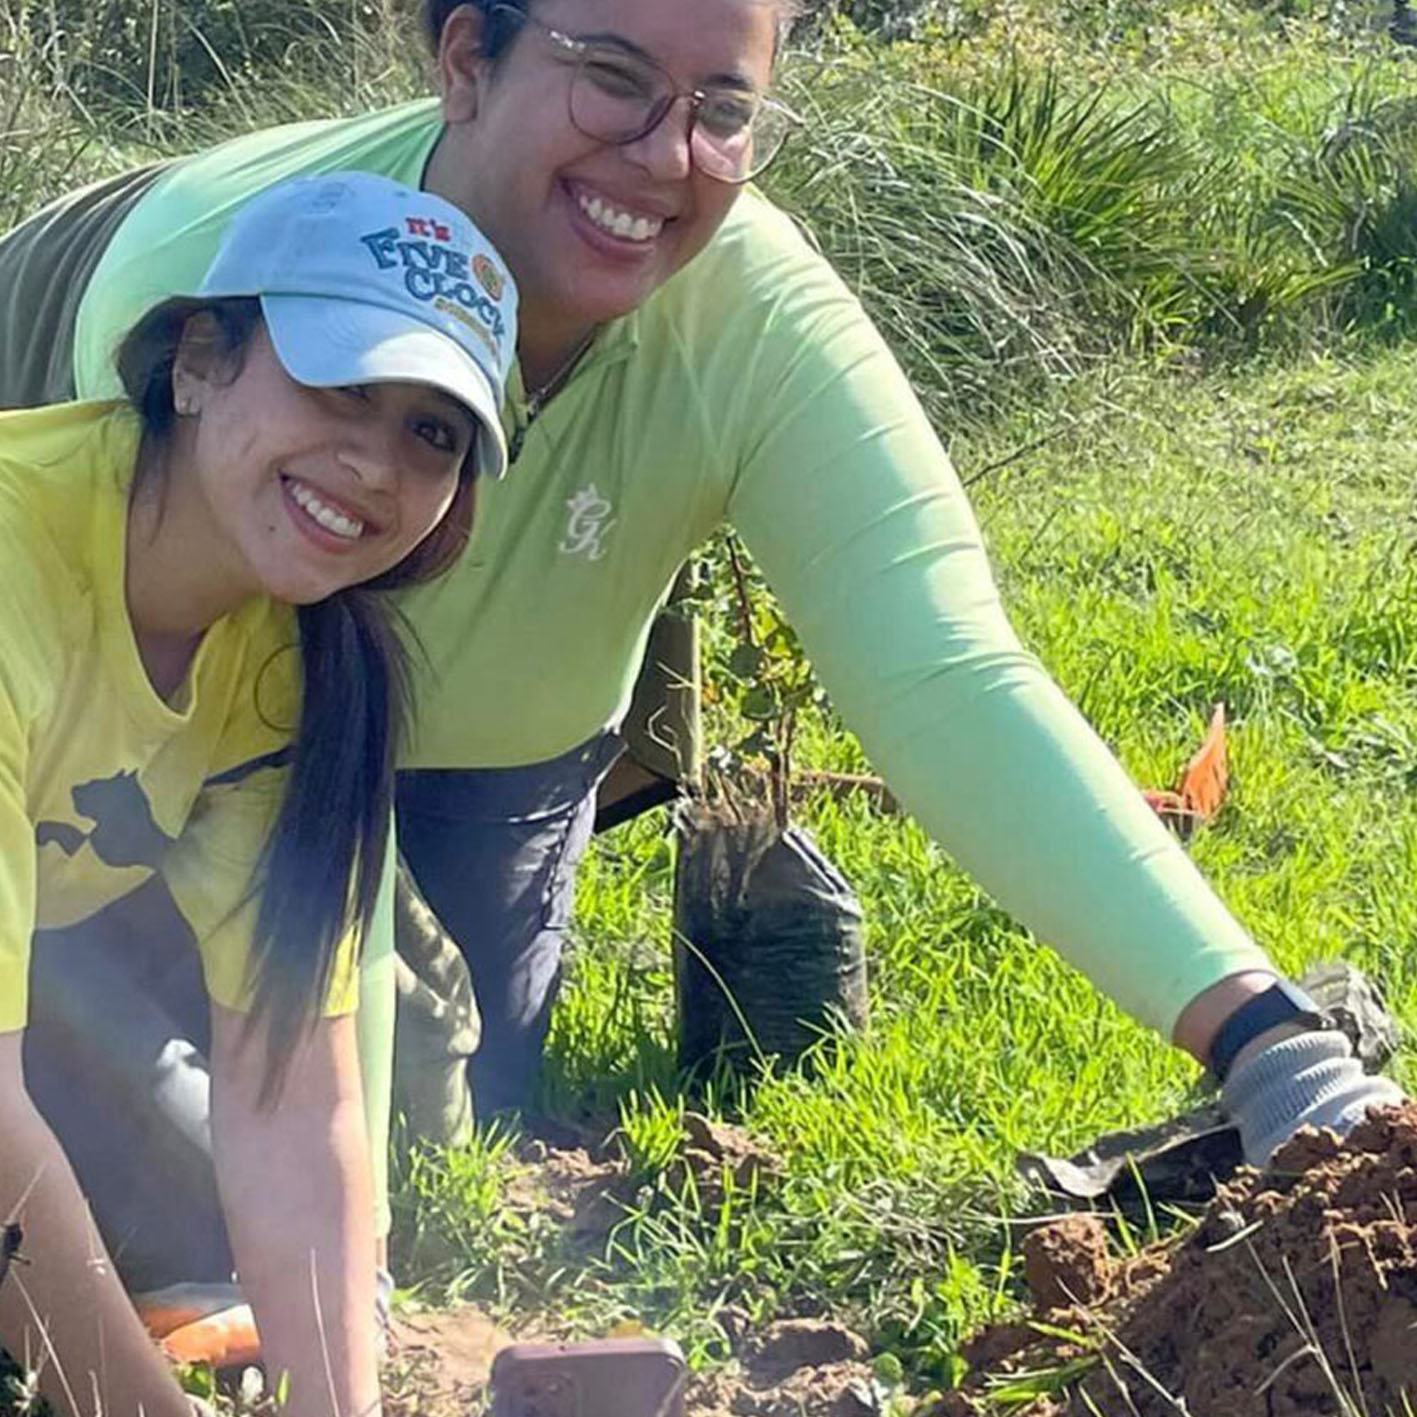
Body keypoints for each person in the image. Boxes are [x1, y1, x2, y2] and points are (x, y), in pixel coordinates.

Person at [0, 0, 1403, 1206]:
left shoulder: (751, 318)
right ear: (467, 59)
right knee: (173, 1161)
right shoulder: (218, 295)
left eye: (722, 110)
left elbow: (945, 670)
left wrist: (1266, 1040)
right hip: (146, 646)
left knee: (433, 1118)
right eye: (612, 77)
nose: (667, 156)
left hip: (499, 727)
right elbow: (249, 747)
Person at [0, 171, 517, 1417]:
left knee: (178, 1211)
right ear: (198, 360)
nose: (375, 465)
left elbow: (292, 1084)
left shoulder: (293, 662)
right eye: (341, 386)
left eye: (432, 434)